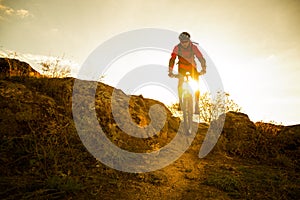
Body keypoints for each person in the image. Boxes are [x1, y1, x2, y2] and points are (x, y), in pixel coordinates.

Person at [168, 32, 207, 114]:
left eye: (186, 42)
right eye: (182, 42)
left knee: (197, 84)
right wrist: (170, 71)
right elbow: (172, 59)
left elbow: (200, 57)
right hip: (182, 68)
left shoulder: (193, 47)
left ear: (189, 40)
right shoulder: (177, 48)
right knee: (180, 84)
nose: (184, 44)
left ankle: (196, 104)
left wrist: (203, 68)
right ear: (180, 41)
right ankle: (180, 102)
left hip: (192, 67)